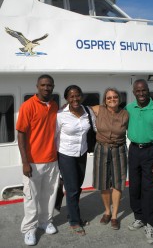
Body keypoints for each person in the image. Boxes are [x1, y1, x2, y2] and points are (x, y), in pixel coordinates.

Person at [16, 74, 59, 246]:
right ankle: (29, 229)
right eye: (43, 85)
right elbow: (21, 135)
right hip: (33, 161)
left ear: (53, 87)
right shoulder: (28, 106)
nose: (46, 88)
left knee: (49, 195)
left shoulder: (54, 105)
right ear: (37, 86)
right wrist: (25, 162)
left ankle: (45, 221)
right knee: (31, 197)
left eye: (49, 85)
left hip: (51, 159)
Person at [126, 79, 153, 244]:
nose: (141, 94)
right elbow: (111, 114)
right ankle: (139, 217)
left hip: (151, 152)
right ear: (134, 92)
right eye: (138, 91)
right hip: (134, 150)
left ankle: (150, 224)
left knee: (149, 189)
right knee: (134, 187)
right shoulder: (129, 108)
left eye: (144, 90)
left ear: (148, 90)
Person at [56, 85, 95, 236]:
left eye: (77, 95)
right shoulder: (60, 115)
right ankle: (74, 221)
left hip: (82, 153)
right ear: (66, 98)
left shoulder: (87, 111)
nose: (75, 99)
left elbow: (96, 125)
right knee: (72, 189)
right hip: (66, 154)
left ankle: (73, 213)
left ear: (81, 96)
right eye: (71, 96)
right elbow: (54, 136)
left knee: (77, 187)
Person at [91, 88, 129, 230]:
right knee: (103, 182)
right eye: (108, 98)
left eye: (114, 97)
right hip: (101, 149)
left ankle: (114, 216)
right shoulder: (98, 110)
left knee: (118, 182)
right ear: (104, 100)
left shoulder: (126, 114)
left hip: (119, 149)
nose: (112, 99)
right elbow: (80, 108)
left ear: (119, 98)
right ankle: (107, 211)